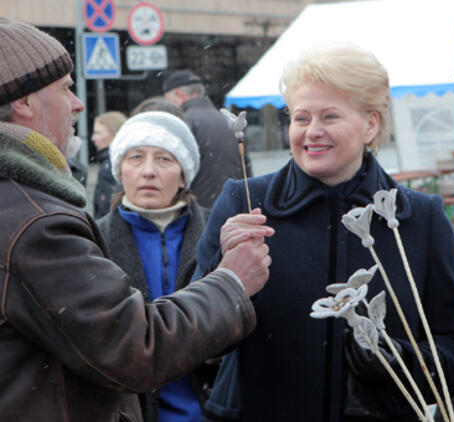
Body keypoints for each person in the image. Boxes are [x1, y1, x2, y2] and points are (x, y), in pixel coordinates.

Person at [0, 17, 272, 421]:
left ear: (185, 172)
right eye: (67, 89)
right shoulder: (34, 222)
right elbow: (135, 345)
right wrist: (231, 281)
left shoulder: (23, 206)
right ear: (23, 102)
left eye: (164, 159)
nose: (78, 104)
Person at [195, 43, 454, 422]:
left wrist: (401, 359)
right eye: (301, 117)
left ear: (370, 124)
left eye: (330, 116)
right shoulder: (244, 201)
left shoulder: (420, 217)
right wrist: (223, 272)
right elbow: (195, 339)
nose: (312, 132)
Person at [97, 111, 214, 422]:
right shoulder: (93, 240)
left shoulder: (218, 234)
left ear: (184, 175)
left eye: (164, 159)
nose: (148, 172)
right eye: (135, 157)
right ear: (120, 171)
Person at [162, 70, 252, 208]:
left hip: (200, 216)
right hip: (235, 210)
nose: (167, 106)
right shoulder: (229, 122)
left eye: (168, 99)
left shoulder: (183, 124)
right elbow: (247, 173)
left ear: (179, 95)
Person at [91, 110, 127, 218]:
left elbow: (105, 208)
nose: (93, 138)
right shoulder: (113, 161)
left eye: (98, 133)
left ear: (114, 133)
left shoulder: (110, 166)